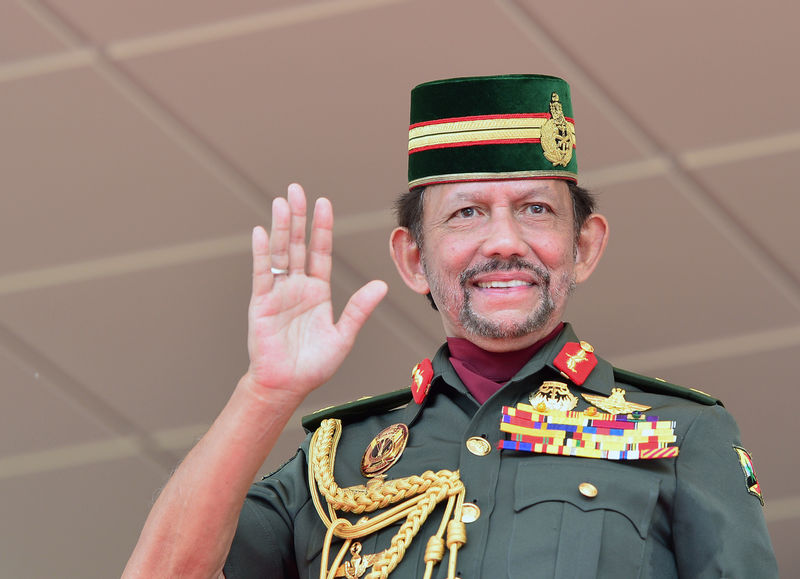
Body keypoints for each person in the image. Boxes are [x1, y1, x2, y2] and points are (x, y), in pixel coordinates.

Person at [123, 75, 777, 578]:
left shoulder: (680, 435)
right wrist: (265, 391)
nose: (504, 241)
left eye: (536, 209)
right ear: (414, 257)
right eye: (466, 212)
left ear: (584, 245)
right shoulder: (335, 464)